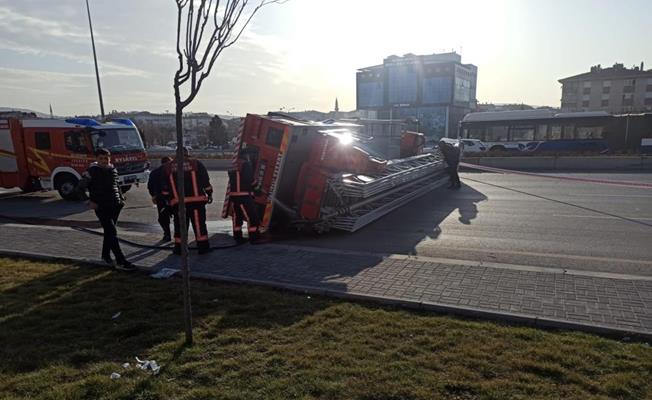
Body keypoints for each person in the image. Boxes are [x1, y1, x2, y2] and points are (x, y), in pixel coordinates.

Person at [78, 148, 134, 270]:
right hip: (101, 206)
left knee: (109, 232)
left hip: (115, 205)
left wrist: (121, 199)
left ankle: (105, 256)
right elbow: (80, 187)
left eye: (106, 158)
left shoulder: (113, 169)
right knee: (112, 232)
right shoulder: (91, 171)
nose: (104, 160)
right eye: (101, 158)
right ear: (96, 159)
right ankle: (121, 261)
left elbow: (116, 185)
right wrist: (88, 202)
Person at [161, 148, 213, 254]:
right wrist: (209, 193)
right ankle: (203, 248)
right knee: (199, 225)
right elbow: (205, 182)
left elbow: (165, 188)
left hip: (178, 204)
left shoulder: (168, 167)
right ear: (187, 154)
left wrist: (167, 201)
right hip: (197, 203)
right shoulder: (196, 163)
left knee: (180, 226)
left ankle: (179, 248)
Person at [226, 149, 261, 243]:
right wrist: (257, 188)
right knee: (252, 217)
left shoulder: (234, 164)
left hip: (234, 196)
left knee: (238, 216)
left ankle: (237, 237)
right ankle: (254, 237)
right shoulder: (245, 164)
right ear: (245, 155)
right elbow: (249, 179)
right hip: (243, 196)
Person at [147, 156, 173, 242]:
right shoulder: (174, 170)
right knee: (178, 217)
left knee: (163, 218)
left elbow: (150, 186)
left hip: (161, 199)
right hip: (174, 198)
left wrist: (153, 196)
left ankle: (167, 234)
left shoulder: (154, 173)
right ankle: (180, 236)